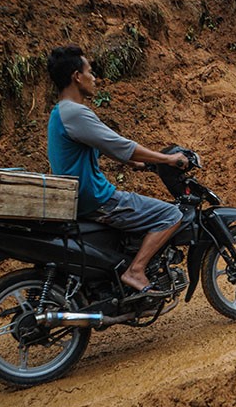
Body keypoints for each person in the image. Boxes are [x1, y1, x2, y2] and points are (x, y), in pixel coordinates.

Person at [46, 45, 188, 298]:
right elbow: (119, 144)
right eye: (90, 71)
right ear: (76, 77)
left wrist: (133, 163)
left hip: (78, 198)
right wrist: (167, 159)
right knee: (171, 214)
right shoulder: (76, 112)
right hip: (97, 198)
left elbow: (97, 145)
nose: (94, 77)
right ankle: (136, 270)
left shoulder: (60, 112)